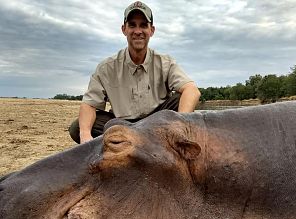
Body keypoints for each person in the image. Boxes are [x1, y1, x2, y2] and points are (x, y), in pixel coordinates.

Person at [69, 1, 201, 144]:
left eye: (143, 25)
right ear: (124, 29)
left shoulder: (165, 62)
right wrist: (85, 135)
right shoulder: (106, 67)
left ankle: (162, 141)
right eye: (132, 25)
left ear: (152, 30)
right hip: (122, 125)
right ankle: (126, 149)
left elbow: (192, 90)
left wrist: (179, 125)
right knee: (77, 127)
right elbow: (89, 104)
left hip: (157, 122)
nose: (138, 31)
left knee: (181, 98)